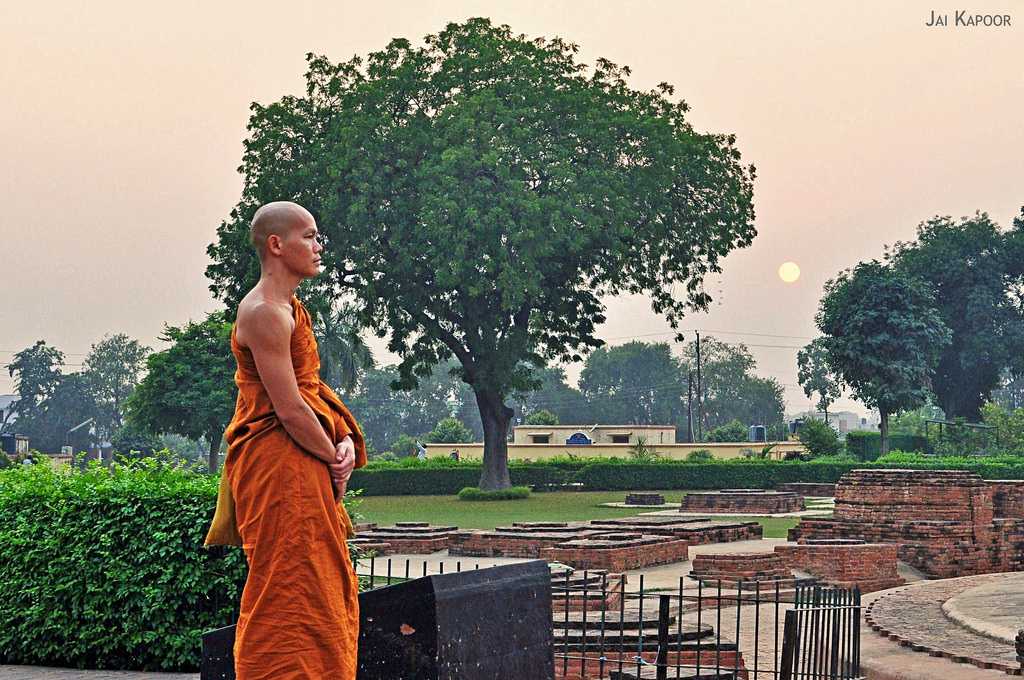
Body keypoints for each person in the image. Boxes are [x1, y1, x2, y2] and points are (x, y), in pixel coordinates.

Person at [203, 201, 367, 679]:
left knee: (320, 583)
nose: (319, 247)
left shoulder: (291, 309)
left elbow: (310, 391)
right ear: (276, 244)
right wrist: (332, 456)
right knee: (285, 588)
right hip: (279, 465)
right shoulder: (264, 313)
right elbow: (290, 408)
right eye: (309, 236)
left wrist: (343, 440)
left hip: (303, 457)